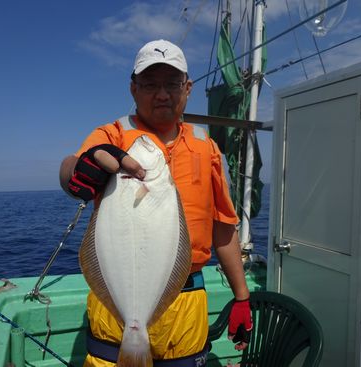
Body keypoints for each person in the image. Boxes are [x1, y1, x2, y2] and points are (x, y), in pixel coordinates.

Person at [60, 39, 252, 366]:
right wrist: (79, 169)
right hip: (115, 304)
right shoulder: (113, 135)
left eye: (172, 84)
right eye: (150, 84)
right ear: (134, 89)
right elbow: (71, 170)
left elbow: (223, 228)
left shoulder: (207, 148)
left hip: (186, 300)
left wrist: (242, 297)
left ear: (188, 88)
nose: (162, 94)